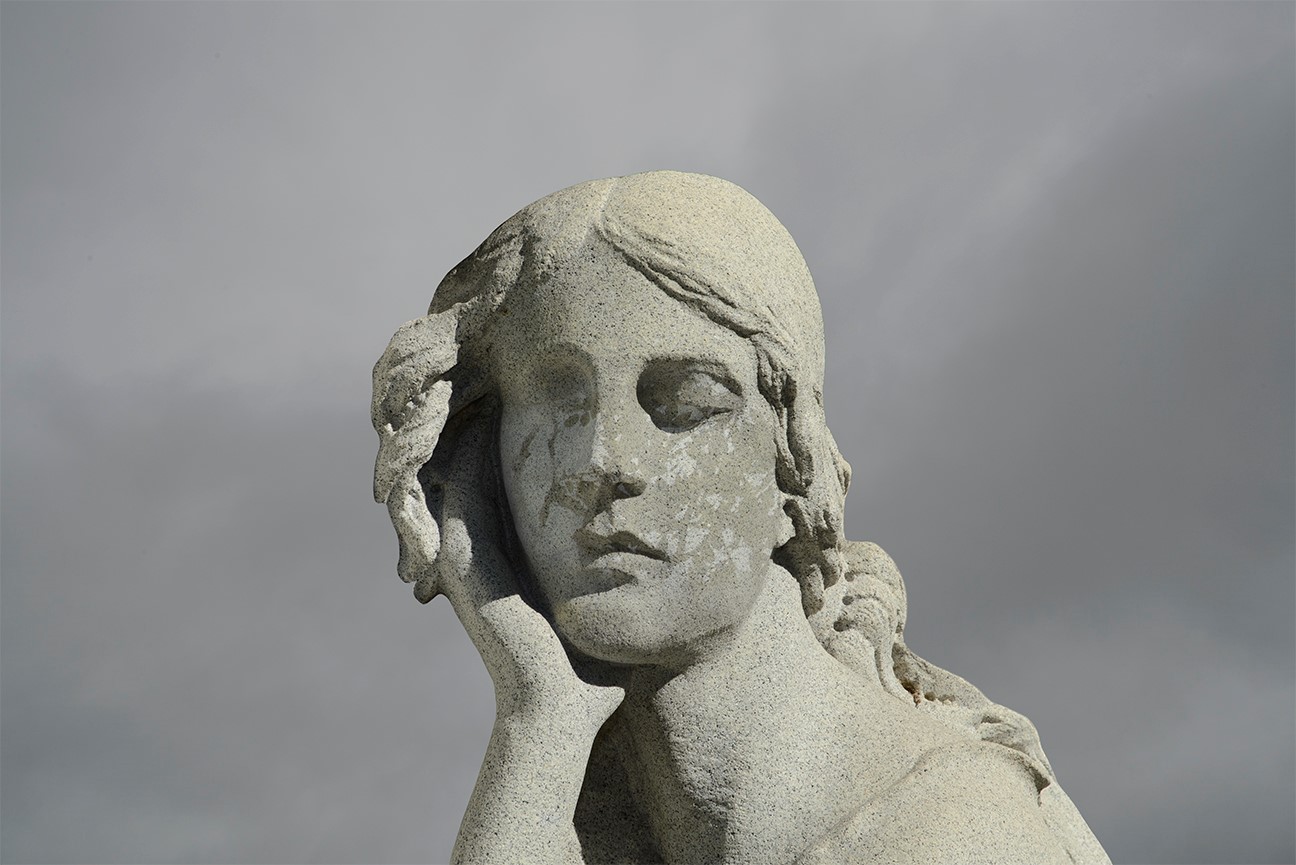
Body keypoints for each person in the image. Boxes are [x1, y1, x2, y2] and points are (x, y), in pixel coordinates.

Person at [372, 171, 1109, 865]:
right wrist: (540, 723)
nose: (605, 456)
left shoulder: (944, 834)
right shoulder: (573, 797)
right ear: (480, 464)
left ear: (794, 471)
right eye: (559, 401)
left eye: (687, 403)